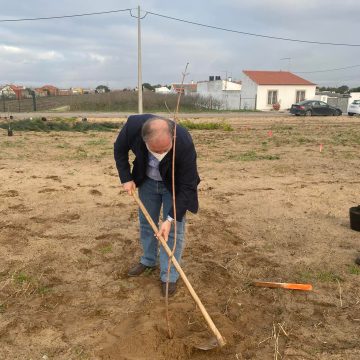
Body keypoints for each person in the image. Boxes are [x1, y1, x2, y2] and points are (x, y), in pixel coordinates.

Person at [114, 114, 200, 296]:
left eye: (165, 150)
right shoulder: (133, 127)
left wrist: (170, 218)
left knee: (173, 229)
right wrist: (126, 178)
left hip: (174, 185)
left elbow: (188, 186)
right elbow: (119, 149)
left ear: (172, 137)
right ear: (143, 140)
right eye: (156, 151)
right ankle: (148, 260)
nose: (161, 155)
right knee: (147, 223)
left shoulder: (183, 141)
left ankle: (169, 275)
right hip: (147, 181)